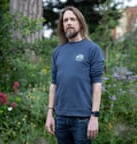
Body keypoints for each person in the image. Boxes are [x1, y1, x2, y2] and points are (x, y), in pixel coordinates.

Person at [45, 6, 104, 144]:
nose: (69, 23)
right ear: (62, 25)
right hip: (60, 119)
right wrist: (50, 113)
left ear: (80, 23)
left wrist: (94, 116)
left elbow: (97, 84)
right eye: (65, 20)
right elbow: (54, 84)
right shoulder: (58, 52)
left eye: (73, 19)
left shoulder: (92, 49)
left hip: (82, 120)